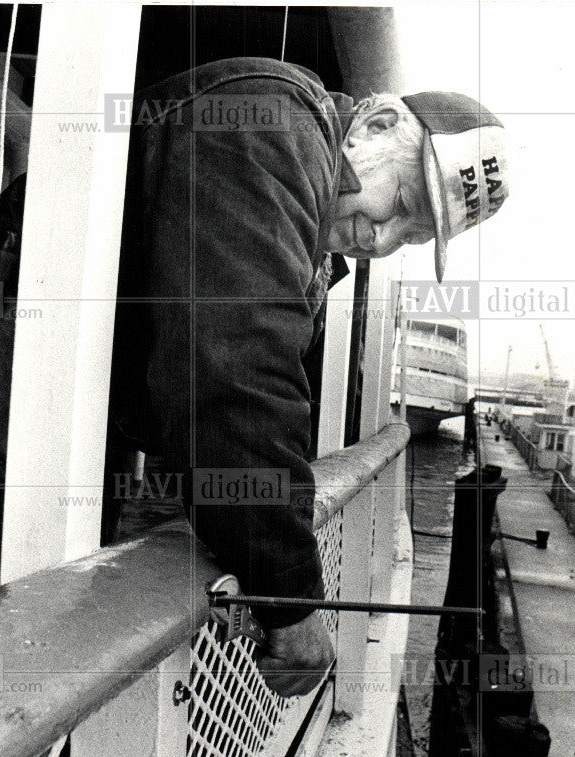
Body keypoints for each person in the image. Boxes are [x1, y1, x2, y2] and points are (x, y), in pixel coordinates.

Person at [103, 58, 509, 697]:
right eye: (401, 202)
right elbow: (238, 375)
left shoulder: (303, 185)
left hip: (8, 427)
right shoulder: (276, 126)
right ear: (373, 123)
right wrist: (291, 599)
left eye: (410, 235)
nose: (382, 238)